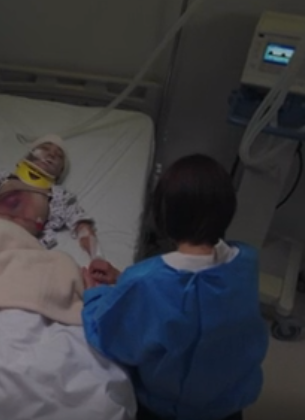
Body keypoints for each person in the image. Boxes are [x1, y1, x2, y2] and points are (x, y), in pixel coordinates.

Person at [80, 154, 269, 420]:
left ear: (163, 217)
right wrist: (123, 280)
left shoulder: (145, 279)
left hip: (167, 408)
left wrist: (94, 294)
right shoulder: (246, 260)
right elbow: (196, 298)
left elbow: (111, 336)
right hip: (228, 403)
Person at [0, 134, 99, 256]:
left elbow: (81, 225)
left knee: (65, 267)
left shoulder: (58, 197)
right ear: (28, 156)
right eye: (45, 149)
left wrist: (97, 257)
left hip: (20, 247)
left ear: (60, 172)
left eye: (59, 156)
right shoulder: (2, 180)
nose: (51, 155)